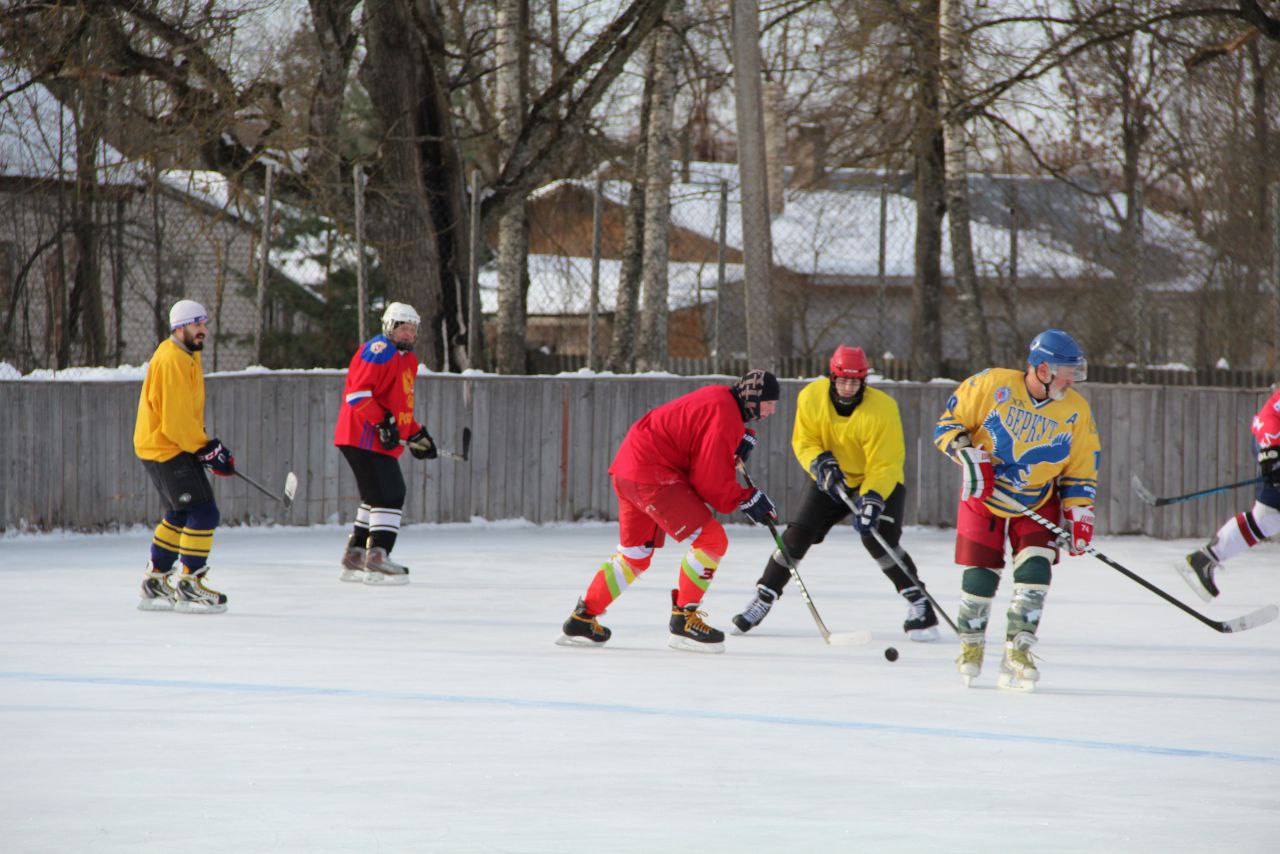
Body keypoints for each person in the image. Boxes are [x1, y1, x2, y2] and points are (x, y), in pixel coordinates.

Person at [557, 370, 781, 653]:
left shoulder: (721, 401)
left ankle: (582, 619)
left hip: (630, 470)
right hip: (652, 474)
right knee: (712, 540)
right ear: (752, 399)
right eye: (769, 403)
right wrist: (746, 498)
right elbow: (709, 481)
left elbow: (694, 448)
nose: (772, 410)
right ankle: (684, 621)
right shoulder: (726, 415)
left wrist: (732, 451)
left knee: (635, 555)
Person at [732, 346, 939, 641]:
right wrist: (819, 462)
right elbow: (804, 441)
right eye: (842, 381)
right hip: (830, 477)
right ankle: (763, 597)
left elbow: (887, 462)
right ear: (832, 377)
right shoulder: (811, 396)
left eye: (855, 382)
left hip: (875, 479)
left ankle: (919, 603)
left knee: (877, 538)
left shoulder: (882, 408)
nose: (848, 388)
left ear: (864, 381)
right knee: (797, 534)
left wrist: (872, 498)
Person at [934, 329, 1100, 691]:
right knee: (980, 577)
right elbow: (947, 426)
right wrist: (968, 454)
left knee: (1035, 572)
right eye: (1066, 371)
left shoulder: (1076, 409)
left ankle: (1018, 649)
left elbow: (1081, 467)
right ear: (1042, 369)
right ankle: (971, 647)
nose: (1072, 379)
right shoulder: (992, 385)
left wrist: (1079, 514)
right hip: (984, 496)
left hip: (1036, 500)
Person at [134, 299, 235, 614]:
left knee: (179, 513)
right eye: (197, 324)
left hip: (165, 445)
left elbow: (184, 415)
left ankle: (156, 580)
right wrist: (205, 447)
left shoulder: (186, 355)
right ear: (179, 327)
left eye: (204, 323)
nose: (203, 330)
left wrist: (205, 446)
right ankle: (189, 584)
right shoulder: (173, 359)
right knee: (204, 512)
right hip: (168, 446)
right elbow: (175, 421)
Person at [333, 302, 437, 585]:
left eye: (412, 329)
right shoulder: (379, 350)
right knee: (391, 493)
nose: (407, 333)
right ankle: (378, 557)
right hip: (362, 435)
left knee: (375, 496)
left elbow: (399, 405)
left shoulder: (408, 360)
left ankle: (355, 556)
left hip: (376, 438)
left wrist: (417, 434)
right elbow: (357, 395)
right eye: (402, 327)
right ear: (389, 327)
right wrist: (383, 423)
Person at [1178, 387, 1280, 599]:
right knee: (1268, 516)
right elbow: (1270, 413)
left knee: (1269, 518)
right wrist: (1271, 451)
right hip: (1272, 445)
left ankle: (1206, 558)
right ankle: (1206, 558)